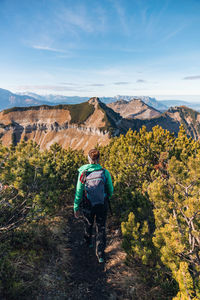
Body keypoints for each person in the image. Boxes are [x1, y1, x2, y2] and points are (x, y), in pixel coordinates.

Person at [74, 149, 113, 263]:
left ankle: (88, 242)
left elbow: (79, 191)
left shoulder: (83, 173)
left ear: (88, 159)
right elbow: (110, 189)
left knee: (88, 223)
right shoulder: (104, 172)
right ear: (98, 159)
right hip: (102, 203)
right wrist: (107, 197)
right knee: (101, 227)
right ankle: (100, 254)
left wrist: (76, 207)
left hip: (88, 204)